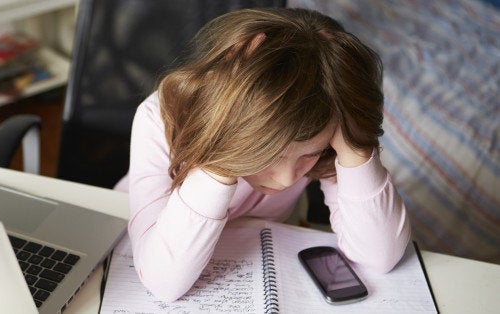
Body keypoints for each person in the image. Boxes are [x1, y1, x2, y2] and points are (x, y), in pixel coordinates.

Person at [114, 7, 411, 302]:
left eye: (309, 154)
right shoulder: (159, 117)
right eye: (271, 155)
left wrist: (355, 146)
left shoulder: (325, 122)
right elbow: (163, 282)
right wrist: (227, 137)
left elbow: (379, 257)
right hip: (135, 236)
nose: (286, 180)